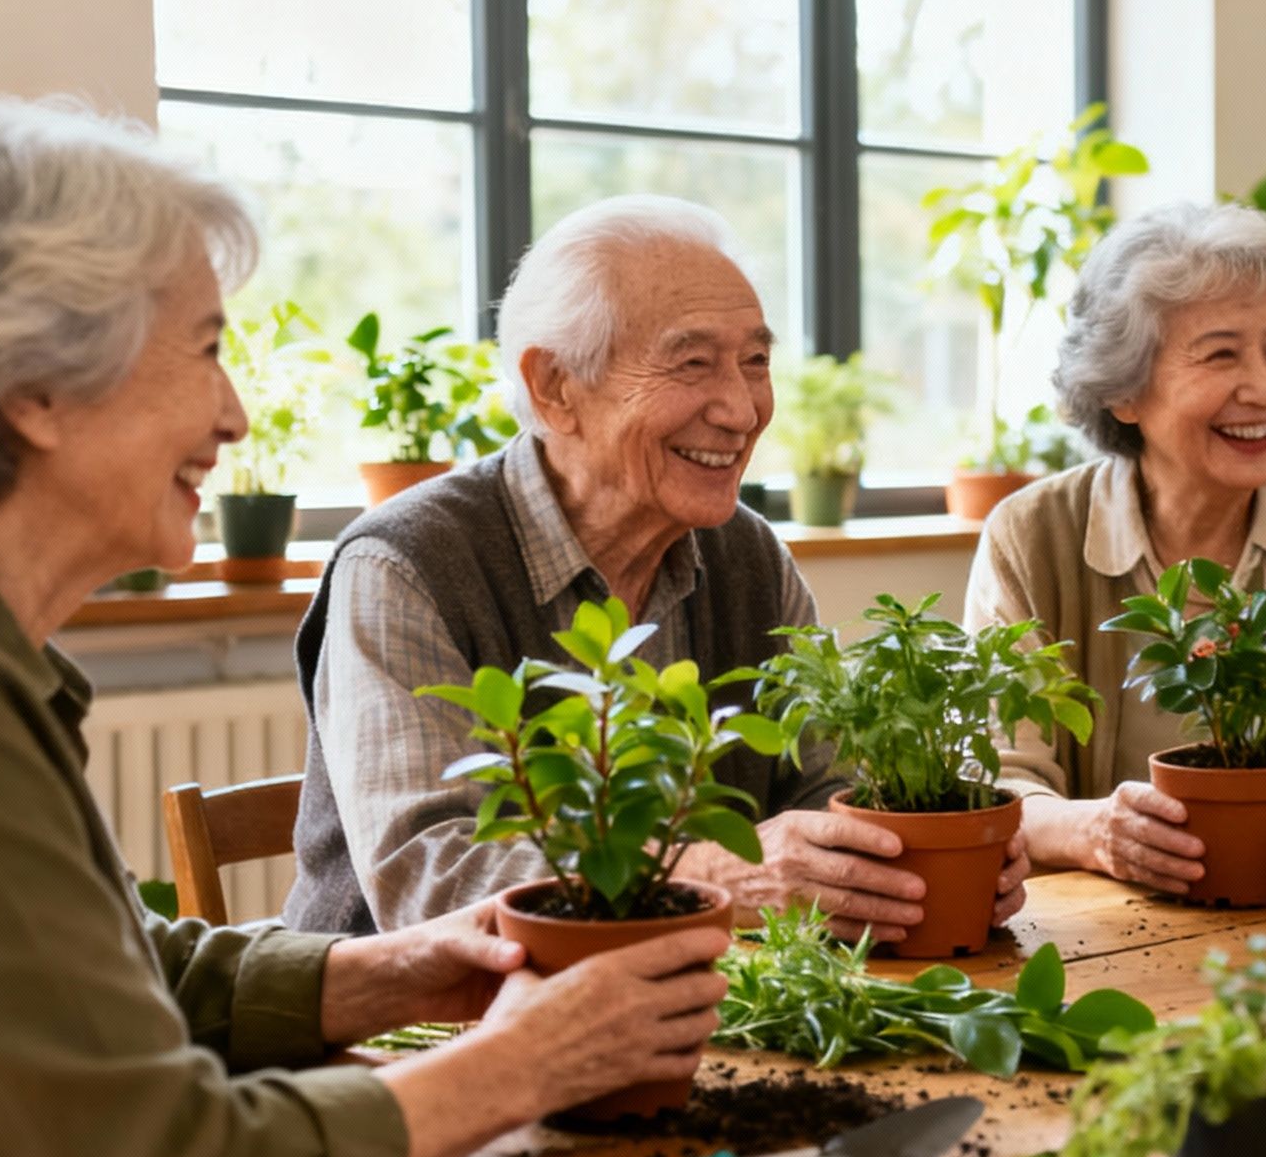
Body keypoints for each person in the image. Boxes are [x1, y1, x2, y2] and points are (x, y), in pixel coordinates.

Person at [0, 101, 728, 1157]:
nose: (233, 415)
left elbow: (92, 972)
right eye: (205, 349)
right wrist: (521, 1066)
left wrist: (385, 977)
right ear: (33, 385)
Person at [281, 195, 1025, 945]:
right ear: (555, 387)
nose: (741, 409)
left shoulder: (747, 555)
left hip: (696, 1005)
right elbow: (431, 882)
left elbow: (829, 785)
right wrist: (710, 879)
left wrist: (928, 848)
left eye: (756, 361)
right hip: (415, 1033)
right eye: (693, 363)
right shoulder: (404, 566)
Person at [963, 201, 1266, 895]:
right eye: (1221, 354)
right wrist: (1093, 832)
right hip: (1097, 940)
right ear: (1125, 392)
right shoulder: (1031, 537)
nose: (1263, 389)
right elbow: (998, 778)